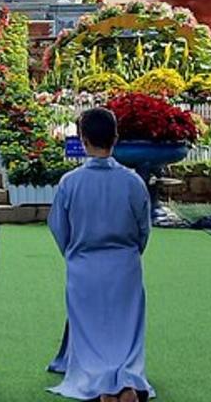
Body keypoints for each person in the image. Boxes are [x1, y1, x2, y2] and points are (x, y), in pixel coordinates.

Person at [46, 107, 154, 402]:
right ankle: (127, 377)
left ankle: (98, 380)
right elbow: (143, 229)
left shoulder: (70, 182)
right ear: (115, 137)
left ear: (83, 139)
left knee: (90, 328)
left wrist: (74, 254)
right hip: (125, 265)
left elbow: (58, 228)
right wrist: (129, 253)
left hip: (84, 265)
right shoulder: (133, 182)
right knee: (126, 328)